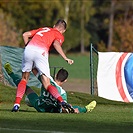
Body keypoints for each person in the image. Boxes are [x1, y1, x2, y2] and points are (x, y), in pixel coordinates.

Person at [12, 19, 74, 112]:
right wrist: (65, 57)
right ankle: (61, 101)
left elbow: (25, 34)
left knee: (24, 79)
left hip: (29, 49)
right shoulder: (59, 35)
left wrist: (27, 47)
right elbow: (56, 43)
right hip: (41, 52)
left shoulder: (43, 29)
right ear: (63, 31)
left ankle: (16, 104)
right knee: (47, 84)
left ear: (54, 25)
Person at [4, 62, 96, 113]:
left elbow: (34, 71)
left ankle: (11, 73)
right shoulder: (62, 92)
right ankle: (86, 109)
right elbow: (63, 108)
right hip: (51, 110)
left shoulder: (48, 81)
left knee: (25, 87)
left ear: (56, 75)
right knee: (72, 108)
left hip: (39, 105)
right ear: (65, 80)